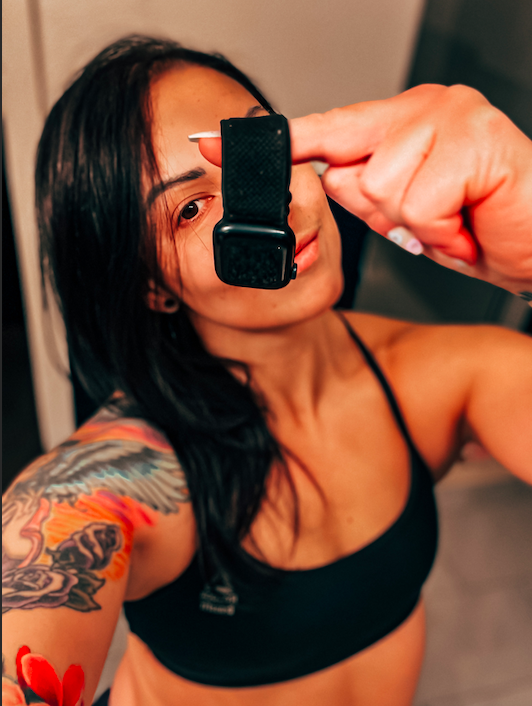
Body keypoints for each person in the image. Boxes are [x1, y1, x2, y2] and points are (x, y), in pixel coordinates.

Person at [2, 35, 531, 706]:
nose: (268, 204)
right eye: (189, 209)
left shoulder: (443, 376)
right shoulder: (110, 487)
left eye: (259, 152)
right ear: (153, 288)